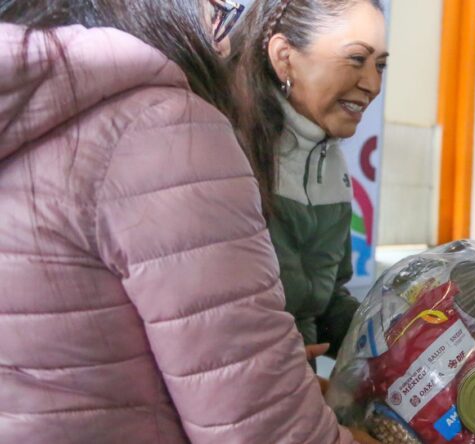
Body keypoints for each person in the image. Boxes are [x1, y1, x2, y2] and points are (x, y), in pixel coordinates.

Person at [0, 1, 359, 442]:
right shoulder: (163, 129)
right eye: (221, 11)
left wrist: (274, 376)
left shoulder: (27, 98)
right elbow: (263, 430)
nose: (228, 42)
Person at [229, 0, 388, 361]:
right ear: (285, 56)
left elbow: (324, 303)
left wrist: (399, 339)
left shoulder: (330, 161)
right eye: (355, 59)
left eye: (380, 65)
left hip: (294, 395)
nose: (373, 84)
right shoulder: (225, 151)